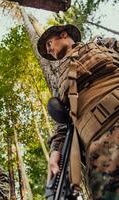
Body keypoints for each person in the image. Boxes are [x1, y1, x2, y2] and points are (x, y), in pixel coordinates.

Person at [37, 24, 119, 200]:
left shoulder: (100, 44)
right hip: (98, 149)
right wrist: (54, 152)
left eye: (49, 43)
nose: (49, 50)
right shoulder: (59, 81)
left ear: (64, 35)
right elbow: (63, 123)